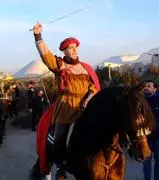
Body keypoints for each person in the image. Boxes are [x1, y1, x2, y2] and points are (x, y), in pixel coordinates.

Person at [32, 22, 101, 178]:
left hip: (86, 106)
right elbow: (45, 55)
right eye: (70, 47)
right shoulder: (59, 65)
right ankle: (60, 166)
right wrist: (38, 36)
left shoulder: (86, 68)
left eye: (75, 47)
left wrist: (89, 97)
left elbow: (94, 86)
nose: (74, 50)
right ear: (64, 50)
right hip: (66, 107)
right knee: (60, 137)